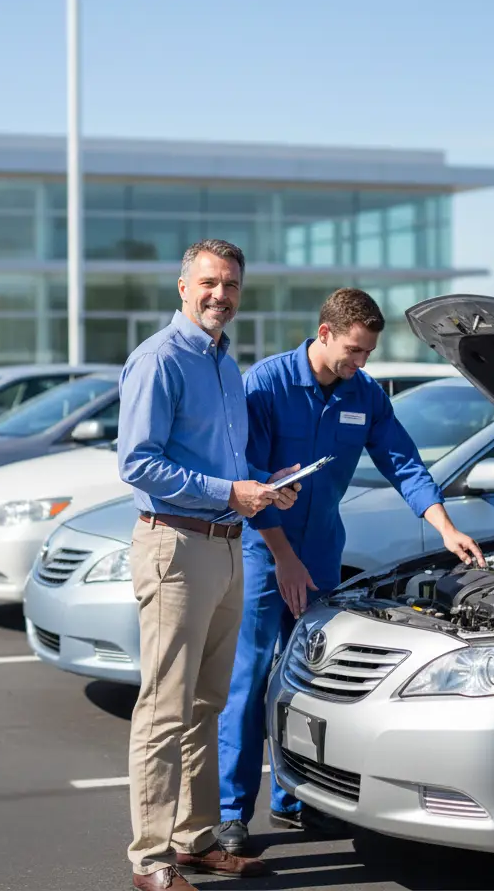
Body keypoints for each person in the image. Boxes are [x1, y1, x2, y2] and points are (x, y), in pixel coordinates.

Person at [215, 287, 485, 856]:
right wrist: (284, 558)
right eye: (353, 351)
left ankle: (296, 799)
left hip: (321, 555)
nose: (359, 363)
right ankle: (232, 812)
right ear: (324, 334)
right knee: (251, 680)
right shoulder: (266, 385)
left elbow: (404, 463)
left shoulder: (364, 394)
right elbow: (249, 475)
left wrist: (444, 526)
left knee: (311, 682)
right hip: (267, 555)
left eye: (367, 353)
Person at [116, 238, 303, 891]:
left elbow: (226, 467)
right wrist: (231, 493)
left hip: (226, 548)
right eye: (208, 282)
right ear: (183, 287)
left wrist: (264, 484)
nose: (219, 294)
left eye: (230, 285)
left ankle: (194, 839)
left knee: (207, 703)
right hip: (176, 547)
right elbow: (138, 463)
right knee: (164, 710)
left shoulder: (226, 365)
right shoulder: (159, 360)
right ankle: (151, 859)